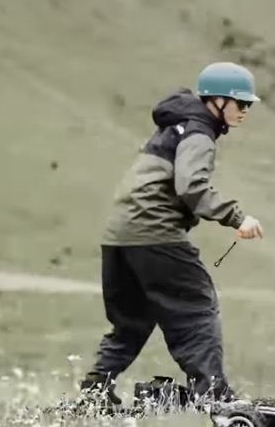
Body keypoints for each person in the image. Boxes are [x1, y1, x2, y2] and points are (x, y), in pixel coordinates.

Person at [80, 61, 265, 407]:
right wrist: (236, 217)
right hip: (156, 232)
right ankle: (213, 394)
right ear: (218, 102)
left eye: (249, 105)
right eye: (241, 104)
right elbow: (191, 185)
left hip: (119, 236)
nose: (245, 112)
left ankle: (95, 391)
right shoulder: (198, 132)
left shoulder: (173, 128)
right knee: (196, 308)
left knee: (131, 321)